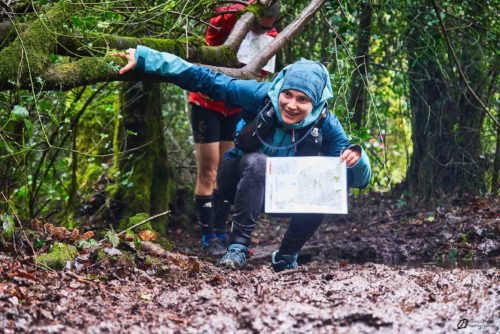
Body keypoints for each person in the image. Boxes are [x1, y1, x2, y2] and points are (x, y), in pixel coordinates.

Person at [114, 43, 371, 272]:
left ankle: (286, 256)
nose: (291, 105)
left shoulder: (327, 124)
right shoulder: (261, 95)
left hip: (287, 195)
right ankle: (237, 249)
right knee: (258, 162)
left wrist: (357, 159)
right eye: (288, 94)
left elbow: (357, 179)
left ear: (314, 103)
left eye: (302, 100)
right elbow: (206, 80)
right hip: (236, 179)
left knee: (323, 187)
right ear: (280, 89)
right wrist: (147, 57)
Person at [188, 1, 280, 256]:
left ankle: (221, 232)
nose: (263, 33)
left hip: (235, 107)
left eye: (266, 29)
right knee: (208, 169)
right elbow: (215, 32)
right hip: (207, 102)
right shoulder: (228, 17)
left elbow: (261, 73)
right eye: (259, 27)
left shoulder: (269, 35)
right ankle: (208, 236)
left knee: (227, 169)